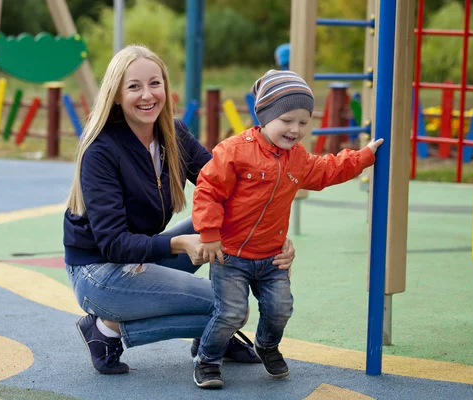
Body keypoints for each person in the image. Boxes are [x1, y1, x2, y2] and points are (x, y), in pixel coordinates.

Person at [62, 45, 297, 375]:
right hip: (100, 271)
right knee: (230, 306)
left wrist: (276, 237)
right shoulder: (101, 150)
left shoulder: (172, 133)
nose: (147, 95)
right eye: (134, 87)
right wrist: (178, 243)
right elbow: (113, 244)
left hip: (138, 255)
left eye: (155, 83)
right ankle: (105, 330)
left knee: (226, 222)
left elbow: (230, 190)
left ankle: (215, 330)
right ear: (116, 95)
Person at [191, 70, 383, 388]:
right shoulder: (235, 151)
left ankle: (266, 345)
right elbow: (208, 188)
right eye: (286, 120)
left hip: (272, 258)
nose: (295, 129)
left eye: (303, 122)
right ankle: (208, 359)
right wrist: (209, 233)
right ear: (265, 115)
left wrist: (363, 158)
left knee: (280, 309)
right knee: (232, 313)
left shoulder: (299, 160)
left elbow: (328, 170)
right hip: (230, 255)